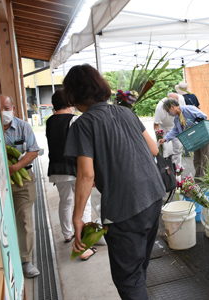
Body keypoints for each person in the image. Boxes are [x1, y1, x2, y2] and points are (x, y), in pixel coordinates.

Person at [63, 64, 166, 299]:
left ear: (74, 94)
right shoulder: (126, 112)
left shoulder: (84, 124)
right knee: (138, 268)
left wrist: (77, 218)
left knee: (128, 278)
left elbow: (86, 175)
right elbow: (152, 149)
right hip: (152, 196)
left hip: (125, 208)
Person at [46, 89, 96, 260]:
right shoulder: (74, 119)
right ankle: (85, 245)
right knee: (84, 203)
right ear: (69, 103)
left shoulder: (49, 121)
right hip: (75, 169)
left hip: (57, 169)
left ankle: (68, 234)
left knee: (65, 201)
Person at [0, 95, 41, 277]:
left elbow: (33, 151)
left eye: (7, 108)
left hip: (21, 179)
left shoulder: (23, 126)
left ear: (13, 109)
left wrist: (14, 167)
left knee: (24, 219)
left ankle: (26, 260)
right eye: (0, 108)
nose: (4, 112)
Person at [157, 98, 209, 179]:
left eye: (168, 111)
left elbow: (203, 116)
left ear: (172, 107)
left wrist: (194, 126)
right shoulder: (177, 119)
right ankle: (199, 180)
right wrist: (165, 139)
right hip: (195, 140)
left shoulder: (188, 109)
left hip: (203, 137)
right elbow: (175, 130)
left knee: (206, 159)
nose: (169, 114)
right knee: (197, 160)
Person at [153, 93, 185, 165]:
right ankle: (165, 166)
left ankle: (178, 168)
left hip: (175, 125)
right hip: (162, 127)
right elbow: (156, 124)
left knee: (178, 147)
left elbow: (183, 114)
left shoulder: (181, 99)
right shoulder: (160, 108)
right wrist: (159, 134)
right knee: (163, 148)